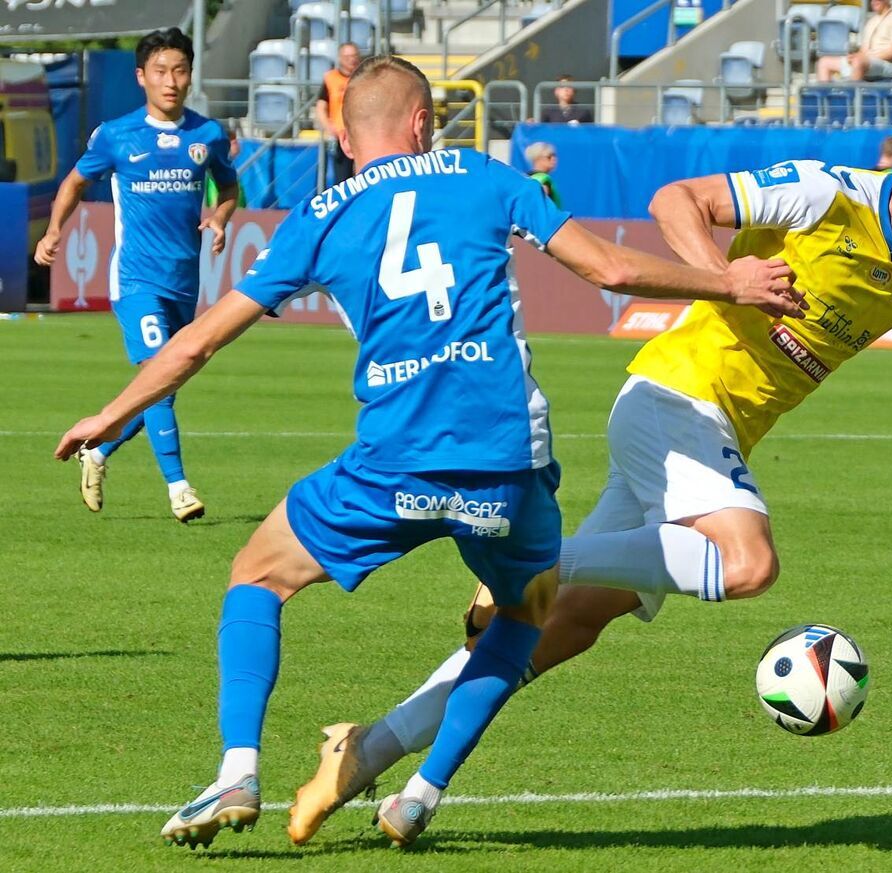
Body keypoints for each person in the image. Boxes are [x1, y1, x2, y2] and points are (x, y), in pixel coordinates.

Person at [53, 55, 802, 851]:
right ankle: (421, 793)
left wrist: (112, 411)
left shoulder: (320, 215)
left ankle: (239, 768)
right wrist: (732, 284)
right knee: (523, 612)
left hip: (393, 464)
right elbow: (611, 268)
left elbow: (198, 342)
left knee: (258, 573)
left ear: (348, 136)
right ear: (420, 125)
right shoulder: (484, 175)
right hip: (505, 468)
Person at [285, 135, 892, 845]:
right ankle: (537, 560)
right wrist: (724, 277)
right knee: (746, 563)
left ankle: (376, 759)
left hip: (709, 437)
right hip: (676, 398)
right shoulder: (828, 196)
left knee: (559, 631)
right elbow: (678, 198)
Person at [35, 27, 238, 523]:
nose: (172, 81)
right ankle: (179, 489)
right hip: (135, 280)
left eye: (181, 71)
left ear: (190, 76)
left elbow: (229, 187)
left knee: (160, 384)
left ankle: (98, 452)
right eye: (162, 72)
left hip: (184, 281)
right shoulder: (117, 135)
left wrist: (219, 218)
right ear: (142, 77)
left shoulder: (207, 135)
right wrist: (53, 230)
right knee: (158, 380)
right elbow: (74, 182)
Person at [816, 0, 892, 83]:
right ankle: (825, 98)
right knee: (824, 62)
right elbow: (863, 50)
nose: (874, 2)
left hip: (887, 63)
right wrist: (854, 56)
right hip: (867, 61)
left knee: (858, 61)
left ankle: (852, 96)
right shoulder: (871, 21)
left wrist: (867, 57)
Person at [315, 42, 361, 184]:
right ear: (340, 58)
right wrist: (329, 126)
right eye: (347, 57)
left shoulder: (364, 78)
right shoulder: (330, 78)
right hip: (340, 135)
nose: (351, 60)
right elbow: (321, 106)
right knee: (342, 178)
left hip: (361, 134)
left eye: (354, 56)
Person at [205, 124, 247, 208]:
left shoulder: (232, 165)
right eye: (233, 141)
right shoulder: (217, 169)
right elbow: (214, 203)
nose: (237, 143)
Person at [525, 141, 562, 207]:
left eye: (554, 156)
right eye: (549, 156)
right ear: (537, 158)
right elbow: (540, 206)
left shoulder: (527, 177)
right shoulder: (542, 179)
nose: (554, 159)